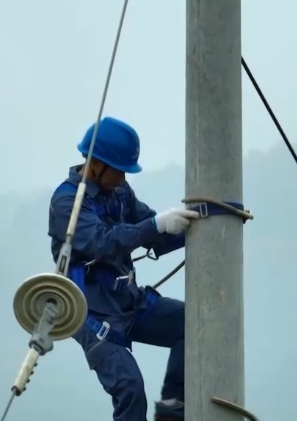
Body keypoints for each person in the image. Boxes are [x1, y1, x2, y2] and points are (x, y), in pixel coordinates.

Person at [47, 117, 201, 421]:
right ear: (95, 163)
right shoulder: (66, 203)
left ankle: (172, 409)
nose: (122, 177)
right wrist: (155, 225)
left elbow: (149, 231)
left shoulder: (118, 192)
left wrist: (199, 228)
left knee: (194, 323)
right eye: (118, 169)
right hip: (92, 314)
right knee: (130, 389)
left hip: (128, 303)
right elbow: (102, 242)